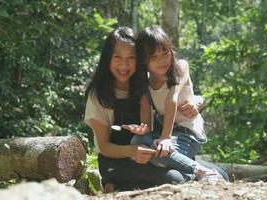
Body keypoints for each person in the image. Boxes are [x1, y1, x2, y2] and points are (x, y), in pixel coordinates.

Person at [84, 27, 202, 192]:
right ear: (107, 59)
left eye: (131, 58)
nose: (124, 65)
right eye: (117, 57)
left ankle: (199, 172)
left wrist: (197, 100)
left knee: (221, 173)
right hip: (117, 161)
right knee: (175, 179)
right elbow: (104, 147)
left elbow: (176, 90)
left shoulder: (146, 82)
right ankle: (114, 183)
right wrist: (132, 150)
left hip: (153, 153)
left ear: (140, 60)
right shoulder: (99, 94)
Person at [127, 26, 228, 182]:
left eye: (165, 53)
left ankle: (200, 171)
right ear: (144, 61)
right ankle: (195, 170)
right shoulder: (145, 86)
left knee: (159, 154)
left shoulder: (180, 67)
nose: (162, 60)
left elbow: (171, 98)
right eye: (154, 57)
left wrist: (166, 137)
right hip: (168, 133)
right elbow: (147, 125)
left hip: (188, 132)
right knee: (137, 142)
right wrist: (141, 130)